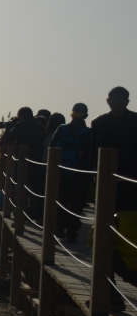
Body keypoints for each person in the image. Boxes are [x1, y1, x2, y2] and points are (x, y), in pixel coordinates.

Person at [91, 87, 137, 296]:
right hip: (105, 187)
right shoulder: (98, 123)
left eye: (122, 99)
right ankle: (109, 294)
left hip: (132, 190)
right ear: (108, 101)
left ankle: (127, 281)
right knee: (102, 237)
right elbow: (92, 155)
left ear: (127, 101)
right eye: (114, 99)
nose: (117, 103)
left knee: (129, 240)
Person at [49, 104, 91, 243]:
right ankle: (72, 232)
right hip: (80, 174)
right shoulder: (88, 133)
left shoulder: (62, 129)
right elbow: (92, 155)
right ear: (85, 116)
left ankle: (59, 228)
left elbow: (52, 148)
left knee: (61, 200)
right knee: (76, 203)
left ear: (71, 115)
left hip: (60, 173)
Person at [2, 107, 47, 219]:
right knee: (35, 189)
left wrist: (8, 127)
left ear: (21, 116)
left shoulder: (20, 125)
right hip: (37, 161)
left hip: (22, 160)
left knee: (20, 187)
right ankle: (35, 214)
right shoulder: (40, 126)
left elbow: (8, 138)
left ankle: (19, 215)